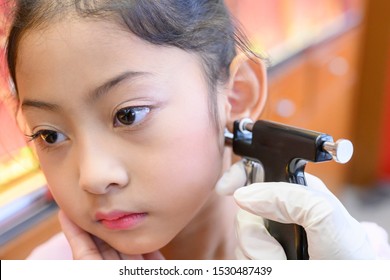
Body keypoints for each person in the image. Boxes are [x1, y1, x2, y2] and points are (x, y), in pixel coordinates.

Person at [5, 0, 390, 260]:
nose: (93, 177)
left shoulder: (350, 254)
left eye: (129, 115)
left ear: (236, 95)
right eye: (49, 135)